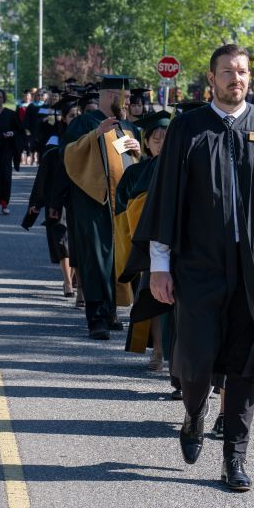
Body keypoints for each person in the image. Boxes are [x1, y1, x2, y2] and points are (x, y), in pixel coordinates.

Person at [132, 44, 254, 492]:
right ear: (210, 78)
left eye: (244, 72)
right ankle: (193, 413)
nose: (237, 79)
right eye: (228, 71)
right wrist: (159, 265)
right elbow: (166, 199)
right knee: (194, 358)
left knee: (246, 360)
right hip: (197, 265)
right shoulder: (188, 128)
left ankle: (235, 457)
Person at [60, 75, 141, 339]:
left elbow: (136, 161)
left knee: (117, 258)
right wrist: (96, 135)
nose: (128, 102)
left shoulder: (127, 126)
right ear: (109, 96)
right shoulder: (86, 122)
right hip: (94, 201)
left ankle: (111, 311)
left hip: (121, 204)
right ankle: (97, 318)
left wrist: (138, 149)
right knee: (96, 258)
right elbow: (68, 154)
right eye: (125, 98)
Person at [115, 110, 172, 371]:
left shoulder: (180, 168)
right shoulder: (135, 173)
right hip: (149, 245)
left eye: (165, 136)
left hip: (180, 244)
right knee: (156, 299)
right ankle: (159, 351)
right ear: (146, 142)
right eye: (155, 137)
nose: (161, 140)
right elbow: (123, 210)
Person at [26, 95, 79, 296]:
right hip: (57, 198)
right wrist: (37, 202)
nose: (75, 118)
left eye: (78, 115)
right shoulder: (55, 141)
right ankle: (67, 282)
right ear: (63, 118)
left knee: (74, 240)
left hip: (78, 196)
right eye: (71, 115)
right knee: (61, 240)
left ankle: (74, 278)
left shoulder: (85, 138)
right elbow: (44, 175)